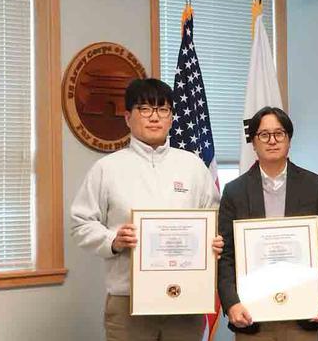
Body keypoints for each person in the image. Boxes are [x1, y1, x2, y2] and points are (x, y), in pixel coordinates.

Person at [70, 78, 223, 341]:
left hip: (185, 299)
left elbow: (214, 216)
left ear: (172, 117)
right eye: (145, 109)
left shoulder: (193, 166)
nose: (155, 117)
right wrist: (113, 240)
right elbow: (81, 223)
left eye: (162, 110)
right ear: (128, 117)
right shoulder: (107, 168)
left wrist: (215, 241)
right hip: (128, 302)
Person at [217, 106, 318, 341]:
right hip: (252, 317)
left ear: (289, 140)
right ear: (253, 142)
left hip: (303, 313)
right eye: (264, 135)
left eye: (279, 133)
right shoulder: (234, 191)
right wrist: (231, 303)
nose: (272, 140)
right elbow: (226, 255)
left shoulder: (313, 186)